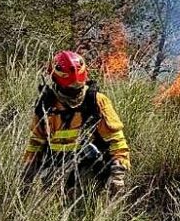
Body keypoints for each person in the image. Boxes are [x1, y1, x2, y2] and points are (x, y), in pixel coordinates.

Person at [22, 50, 130, 200]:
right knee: (52, 204)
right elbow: (36, 141)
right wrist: (28, 170)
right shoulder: (46, 104)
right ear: (56, 81)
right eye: (69, 90)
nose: (74, 94)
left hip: (89, 169)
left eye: (78, 88)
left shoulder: (96, 101)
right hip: (55, 168)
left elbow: (116, 140)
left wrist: (118, 174)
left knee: (83, 202)